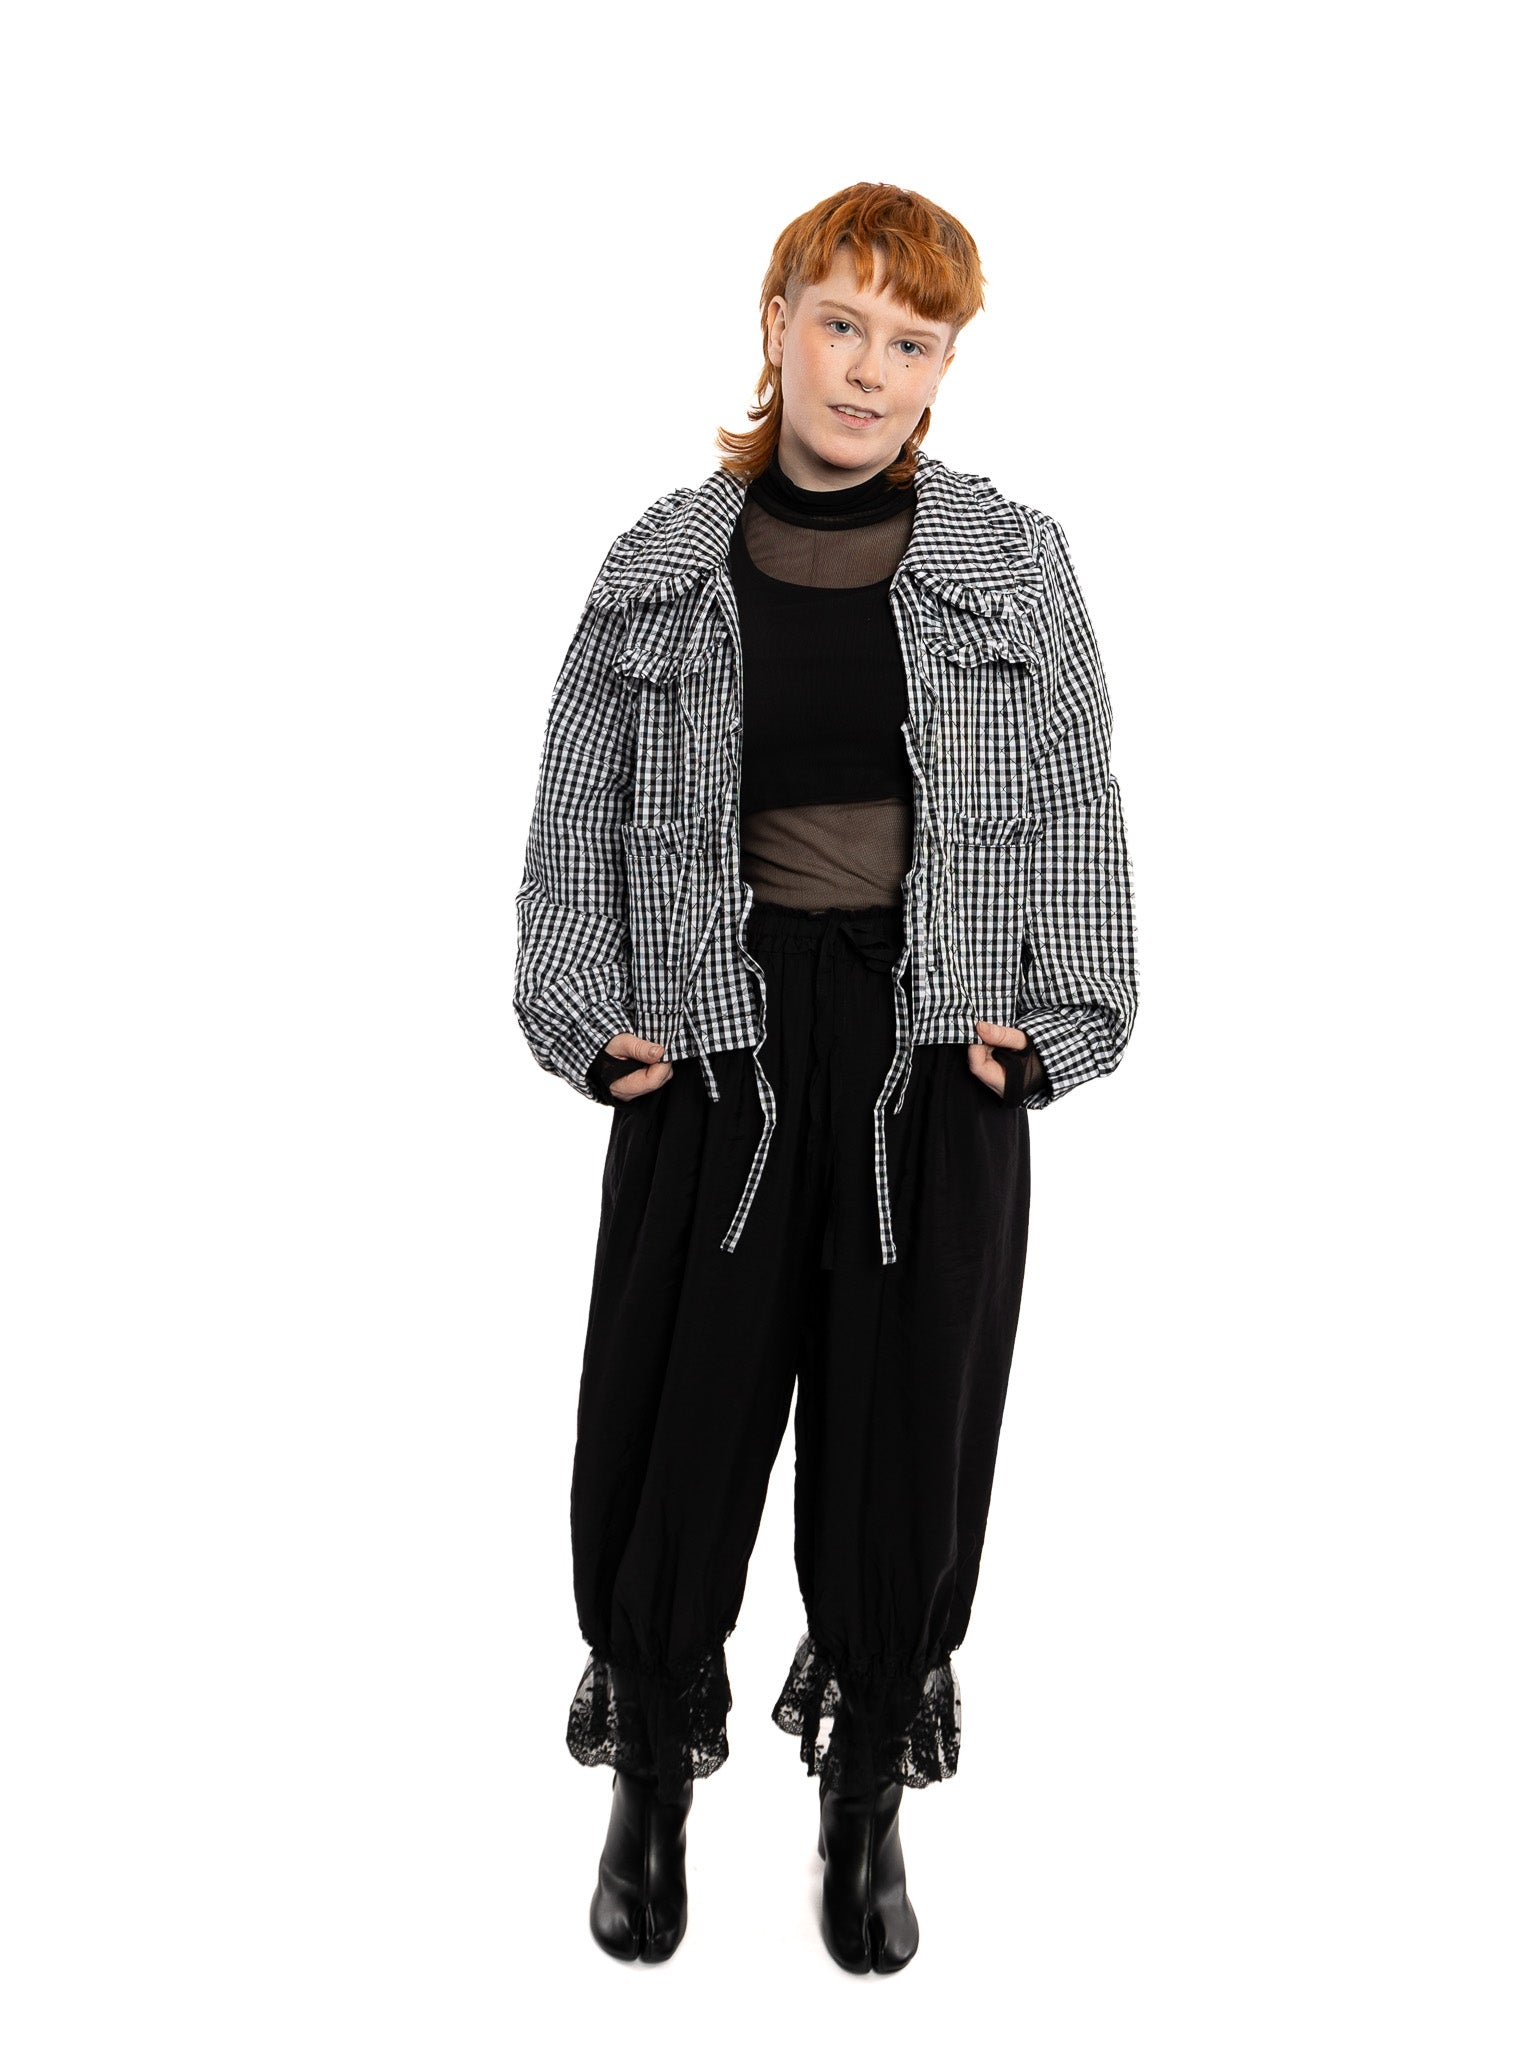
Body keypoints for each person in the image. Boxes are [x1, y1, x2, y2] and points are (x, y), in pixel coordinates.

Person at [513, 182, 1139, 1972]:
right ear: (778, 321)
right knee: (676, 1409)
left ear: (945, 368)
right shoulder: (658, 564)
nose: (868, 370)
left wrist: (1067, 1020)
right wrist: (583, 1012)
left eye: (909, 340)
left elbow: (1080, 796)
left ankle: (866, 1788)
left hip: (935, 1043)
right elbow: (575, 809)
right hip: (713, 1040)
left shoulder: (1013, 561)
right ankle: (651, 1772)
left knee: (905, 1423)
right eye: (842, 323)